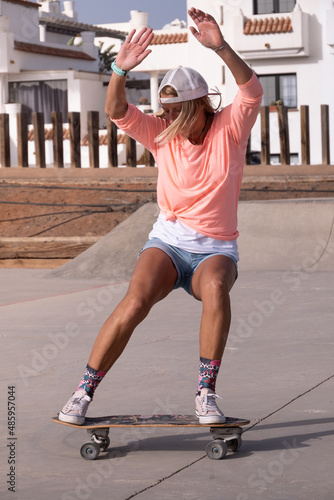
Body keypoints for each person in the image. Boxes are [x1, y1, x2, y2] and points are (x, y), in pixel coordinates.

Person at [59, 7, 263, 426]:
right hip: (168, 243)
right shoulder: (161, 134)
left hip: (215, 248)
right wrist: (119, 68)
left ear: (198, 105)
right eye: (163, 112)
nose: (166, 120)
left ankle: (205, 393)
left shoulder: (230, 128)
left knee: (217, 290)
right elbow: (117, 109)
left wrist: (221, 47)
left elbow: (252, 90)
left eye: (174, 112)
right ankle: (83, 392)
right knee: (135, 301)